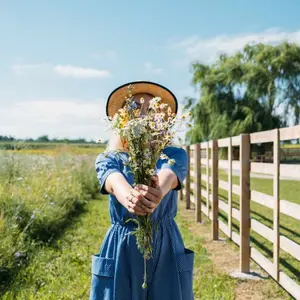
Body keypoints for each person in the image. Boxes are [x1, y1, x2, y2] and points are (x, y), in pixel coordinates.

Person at [89, 81, 194, 300]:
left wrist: (157, 190)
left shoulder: (174, 153)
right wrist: (128, 195)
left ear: (163, 118)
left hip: (164, 243)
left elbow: (169, 175)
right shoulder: (110, 157)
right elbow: (112, 178)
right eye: (135, 107)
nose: (144, 114)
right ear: (123, 119)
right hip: (123, 244)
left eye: (152, 109)